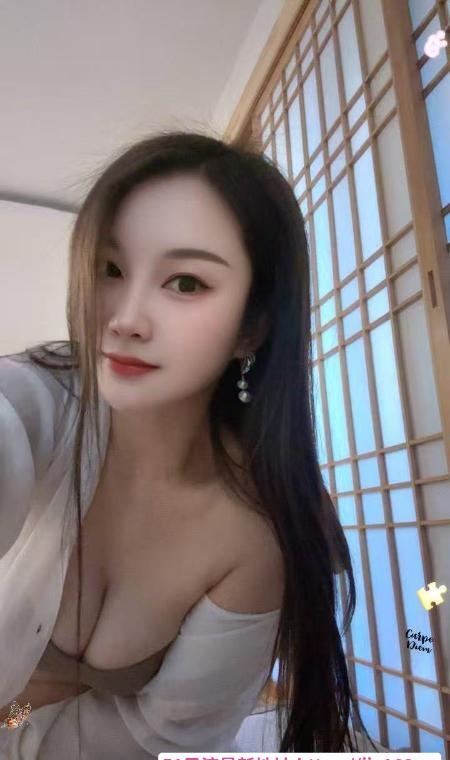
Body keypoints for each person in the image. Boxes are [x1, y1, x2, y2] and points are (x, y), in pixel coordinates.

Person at [0, 130, 378, 758]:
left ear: (252, 327)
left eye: (185, 283)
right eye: (110, 269)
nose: (124, 318)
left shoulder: (253, 537)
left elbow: (156, 736)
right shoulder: (42, 398)